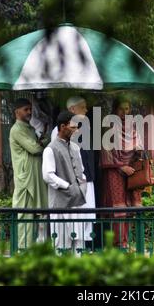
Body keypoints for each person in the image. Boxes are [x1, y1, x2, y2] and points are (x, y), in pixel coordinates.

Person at [51, 96, 96, 250]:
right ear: (72, 110)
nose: (86, 110)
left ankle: (82, 247)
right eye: (83, 107)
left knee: (86, 214)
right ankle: (67, 249)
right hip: (69, 183)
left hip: (85, 179)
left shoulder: (85, 128)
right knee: (71, 218)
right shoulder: (59, 132)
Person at [100, 96, 143, 249]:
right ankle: (116, 244)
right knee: (118, 208)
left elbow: (139, 148)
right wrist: (121, 166)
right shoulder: (109, 125)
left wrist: (139, 152)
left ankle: (125, 242)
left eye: (127, 109)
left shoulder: (133, 127)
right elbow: (106, 151)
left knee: (130, 208)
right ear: (115, 109)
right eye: (121, 109)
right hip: (114, 171)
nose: (125, 112)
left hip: (131, 172)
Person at [43, 111, 87, 255]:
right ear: (63, 127)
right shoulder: (50, 149)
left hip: (77, 202)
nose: (76, 130)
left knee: (78, 241)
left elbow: (81, 171)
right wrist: (67, 186)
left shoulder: (75, 147)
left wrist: (82, 187)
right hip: (60, 204)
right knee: (61, 243)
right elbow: (48, 175)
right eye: (73, 127)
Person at [9, 98, 49, 251]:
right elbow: (35, 149)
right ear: (16, 112)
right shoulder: (16, 129)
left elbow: (37, 145)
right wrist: (44, 142)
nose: (29, 112)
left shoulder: (29, 128)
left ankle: (39, 248)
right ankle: (22, 250)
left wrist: (41, 142)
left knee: (41, 213)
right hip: (25, 180)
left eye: (30, 109)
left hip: (37, 176)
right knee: (25, 215)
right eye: (26, 109)